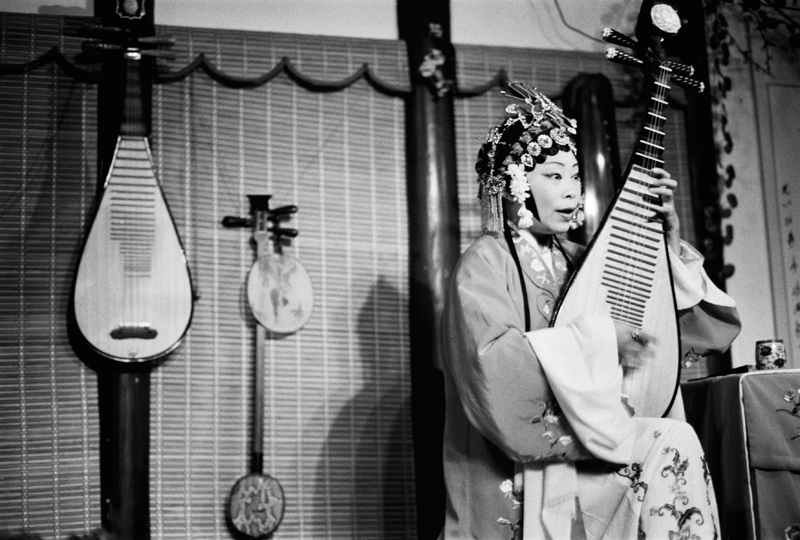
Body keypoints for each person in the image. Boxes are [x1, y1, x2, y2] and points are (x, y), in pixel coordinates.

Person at [439, 83, 741, 539]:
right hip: (524, 465)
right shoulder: (484, 263)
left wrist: (667, 243)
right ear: (516, 183)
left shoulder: (586, 261)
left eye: (575, 176)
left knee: (674, 442)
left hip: (596, 445)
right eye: (554, 176)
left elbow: (696, 335)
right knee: (671, 442)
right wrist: (599, 340)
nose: (572, 191)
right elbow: (490, 367)